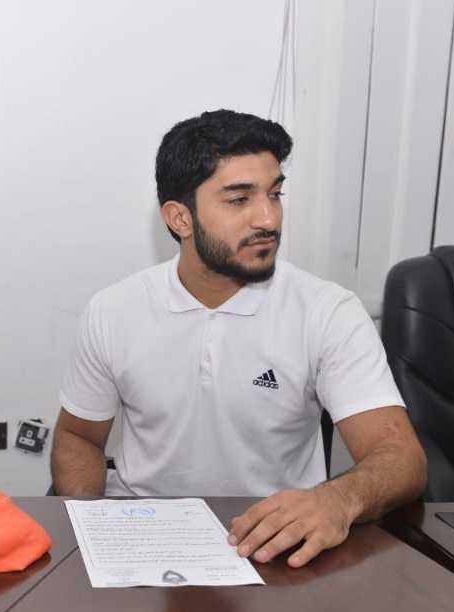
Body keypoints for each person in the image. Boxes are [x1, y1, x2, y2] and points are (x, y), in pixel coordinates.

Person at [51, 109, 426, 568]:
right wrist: (92, 528)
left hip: (276, 546)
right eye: (238, 200)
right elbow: (78, 437)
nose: (268, 218)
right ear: (180, 218)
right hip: (145, 539)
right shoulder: (113, 310)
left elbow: (402, 458)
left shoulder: (327, 311)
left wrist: (336, 500)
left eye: (275, 194)